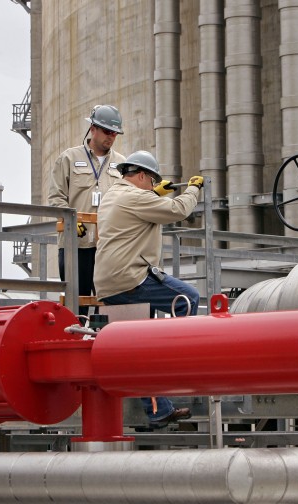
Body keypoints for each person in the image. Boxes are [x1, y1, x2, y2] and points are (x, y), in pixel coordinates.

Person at [93, 149, 203, 428]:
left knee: (136, 350)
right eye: (152, 181)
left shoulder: (113, 195)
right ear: (141, 176)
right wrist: (192, 190)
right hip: (131, 279)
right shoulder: (135, 196)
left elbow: (144, 205)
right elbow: (179, 210)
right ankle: (176, 361)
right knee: (187, 299)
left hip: (109, 284)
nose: (153, 186)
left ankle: (159, 411)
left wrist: (156, 193)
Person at [47, 105, 126, 312]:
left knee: (109, 304)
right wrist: (72, 223)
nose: (111, 137)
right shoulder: (69, 159)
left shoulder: (122, 164)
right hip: (76, 246)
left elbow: (131, 200)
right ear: (93, 129)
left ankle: (105, 341)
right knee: (76, 304)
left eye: (115, 133)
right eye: (107, 132)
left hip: (108, 247)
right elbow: (56, 198)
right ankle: (75, 337)